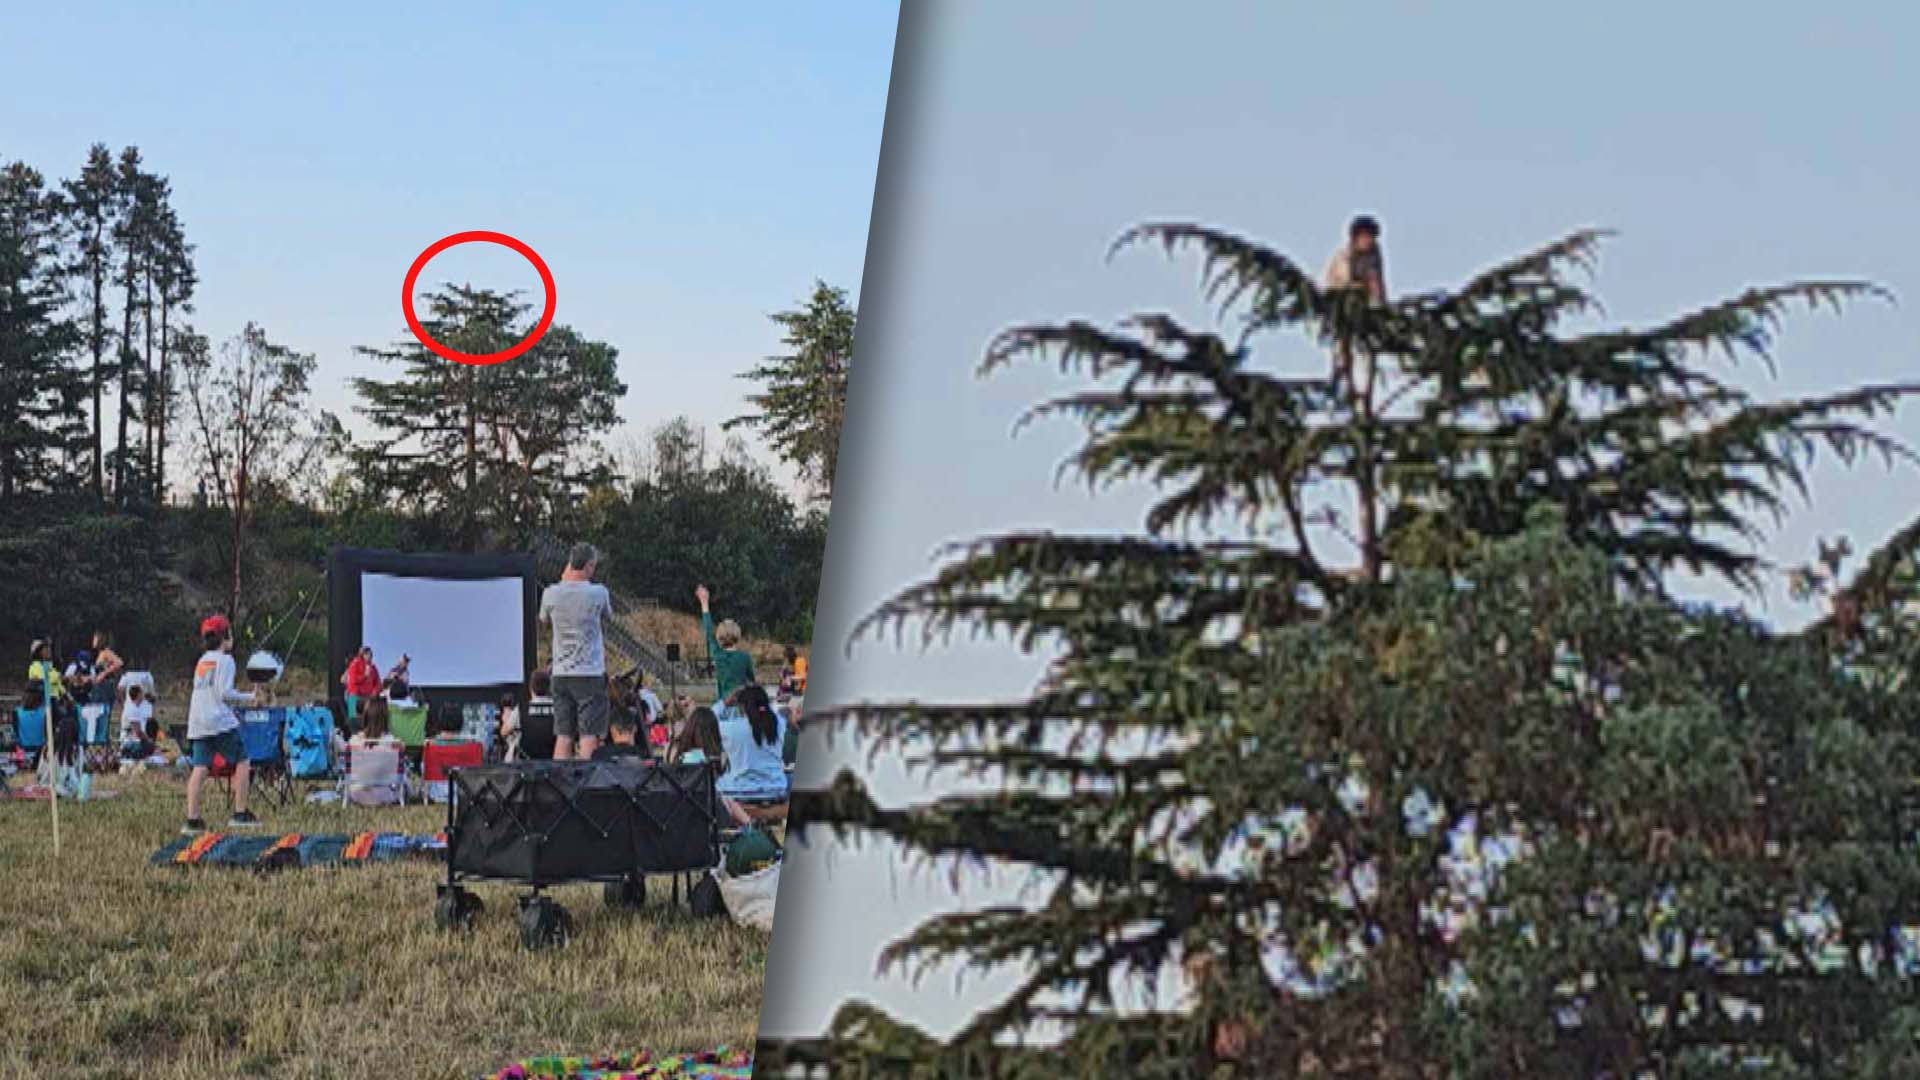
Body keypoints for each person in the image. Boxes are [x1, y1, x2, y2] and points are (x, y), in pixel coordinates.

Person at [183, 614, 264, 834]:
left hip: (198, 722)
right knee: (243, 761)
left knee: (200, 768)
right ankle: (240, 813)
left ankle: (192, 820)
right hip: (218, 720)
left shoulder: (202, 661)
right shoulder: (226, 660)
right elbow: (225, 694)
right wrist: (250, 697)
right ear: (225, 636)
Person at [539, 542, 613, 760]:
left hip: (561, 672)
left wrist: (563, 580)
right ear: (589, 565)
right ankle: (586, 786)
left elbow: (543, 619)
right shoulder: (598, 592)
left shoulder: (551, 593)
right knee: (588, 734)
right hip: (589, 673)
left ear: (570, 562)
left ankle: (558, 786)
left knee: (563, 735)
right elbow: (608, 615)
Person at [1322, 214, 1389, 390]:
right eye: (1365, 237)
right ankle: (1342, 372)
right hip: (1340, 301)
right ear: (1356, 237)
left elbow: (1377, 280)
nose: (1369, 241)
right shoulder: (1344, 255)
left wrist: (1382, 306)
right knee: (1343, 346)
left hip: (1362, 303)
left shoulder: (1375, 253)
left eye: (1372, 237)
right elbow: (1342, 282)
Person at [667, 706, 752, 827]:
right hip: (712, 810)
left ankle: (749, 823)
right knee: (725, 798)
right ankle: (750, 825)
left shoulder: (676, 753)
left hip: (680, 808)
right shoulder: (717, 758)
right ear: (714, 731)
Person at [715, 684, 789, 807]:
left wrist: (724, 703)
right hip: (775, 789)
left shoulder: (730, 728)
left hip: (738, 792)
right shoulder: (779, 724)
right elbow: (769, 711)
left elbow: (705, 721)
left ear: (741, 707)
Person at [342, 697, 407, 806]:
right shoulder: (393, 743)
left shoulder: (354, 742)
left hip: (357, 794)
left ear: (365, 716)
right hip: (386, 795)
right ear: (386, 718)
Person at [695, 584, 755, 702]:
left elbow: (708, 632)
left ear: (719, 636)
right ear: (738, 634)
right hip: (742, 704)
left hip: (724, 702)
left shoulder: (718, 655)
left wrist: (704, 603)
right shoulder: (745, 657)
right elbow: (751, 682)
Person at [341, 646, 380, 728]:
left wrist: (375, 691)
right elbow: (353, 681)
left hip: (368, 696)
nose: (369, 657)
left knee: (370, 716)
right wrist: (364, 676)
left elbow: (378, 682)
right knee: (352, 718)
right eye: (367, 654)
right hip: (354, 695)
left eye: (370, 655)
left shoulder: (373, 667)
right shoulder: (355, 665)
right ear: (363, 655)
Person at [119, 682, 156, 760]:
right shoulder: (132, 709)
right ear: (139, 694)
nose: (143, 694)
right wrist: (149, 740)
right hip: (130, 742)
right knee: (150, 747)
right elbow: (138, 731)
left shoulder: (136, 707)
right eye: (142, 692)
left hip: (136, 740)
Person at [89, 630, 124, 706]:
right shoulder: (99, 653)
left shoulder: (106, 652)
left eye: (95, 638)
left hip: (105, 685)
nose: (93, 641)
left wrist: (104, 673)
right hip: (99, 686)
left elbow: (119, 662)